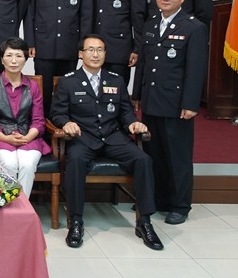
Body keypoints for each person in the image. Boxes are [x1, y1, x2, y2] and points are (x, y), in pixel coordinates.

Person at [51, 35, 162, 250]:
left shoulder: (116, 80)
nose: (95, 54)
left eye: (100, 50)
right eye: (90, 50)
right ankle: (76, 221)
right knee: (75, 161)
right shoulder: (68, 81)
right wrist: (66, 123)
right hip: (83, 138)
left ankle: (145, 222)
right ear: (80, 54)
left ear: (105, 54)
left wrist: (133, 123)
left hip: (113, 138)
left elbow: (125, 112)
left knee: (143, 159)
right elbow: (57, 113)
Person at [132, 0, 208, 225]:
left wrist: (190, 103)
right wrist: (137, 95)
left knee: (178, 156)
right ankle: (159, 198)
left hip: (176, 104)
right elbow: (143, 64)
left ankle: (180, 205)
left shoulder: (194, 27)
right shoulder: (151, 24)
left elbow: (196, 70)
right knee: (154, 153)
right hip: (152, 100)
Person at [24, 0, 92, 116]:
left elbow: (86, 15)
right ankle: (43, 125)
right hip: (43, 44)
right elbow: (29, 12)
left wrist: (83, 46)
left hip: (70, 45)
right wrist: (30, 42)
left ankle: (64, 125)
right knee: (43, 91)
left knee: (67, 89)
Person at [0, 37, 50, 198]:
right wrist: (5, 138)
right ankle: (10, 206)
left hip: (28, 137)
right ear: (2, 59)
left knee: (27, 164)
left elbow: (38, 120)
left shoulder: (33, 86)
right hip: (1, 137)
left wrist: (27, 137)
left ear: (25, 59)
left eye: (19, 56)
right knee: (9, 163)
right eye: (9, 55)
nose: (14, 60)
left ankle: (21, 208)